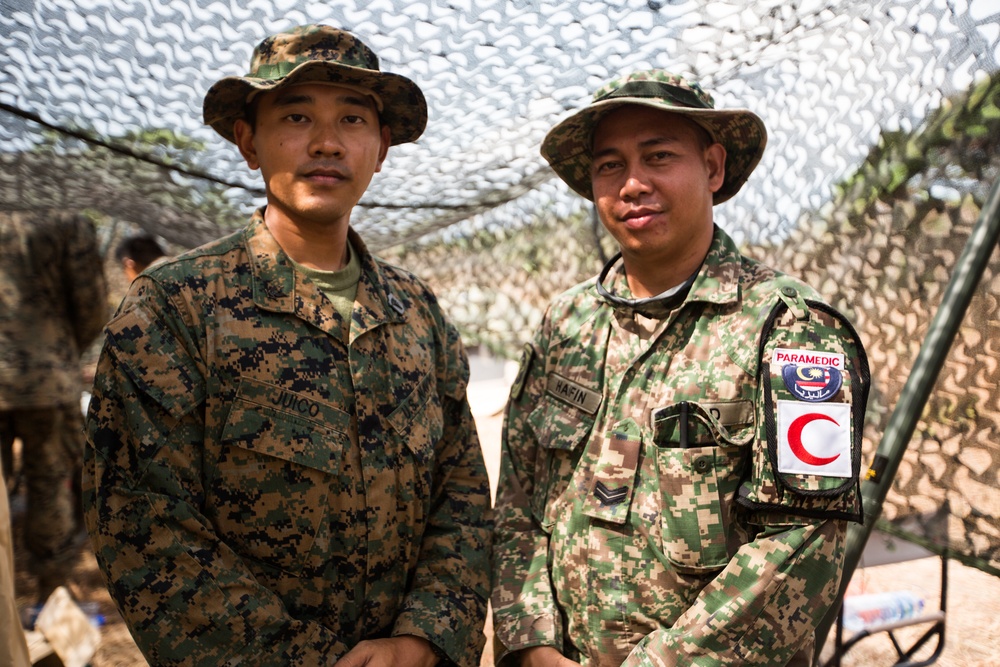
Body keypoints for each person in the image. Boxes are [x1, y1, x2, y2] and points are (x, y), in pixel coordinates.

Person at [83, 24, 492, 667]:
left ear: (381, 147)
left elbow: (461, 490)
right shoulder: (176, 308)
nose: (327, 143)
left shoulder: (418, 313)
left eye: (353, 119)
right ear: (249, 140)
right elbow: (144, 524)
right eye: (296, 116)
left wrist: (423, 638)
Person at [491, 70, 870, 666]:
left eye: (659, 156)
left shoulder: (793, 332)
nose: (633, 184)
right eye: (609, 165)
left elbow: (803, 544)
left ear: (713, 169)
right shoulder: (566, 324)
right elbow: (518, 496)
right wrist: (530, 640)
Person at [0, 208, 109, 604]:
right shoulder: (65, 223)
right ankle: (51, 595)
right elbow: (92, 304)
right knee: (49, 483)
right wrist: (61, 352)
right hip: (47, 380)